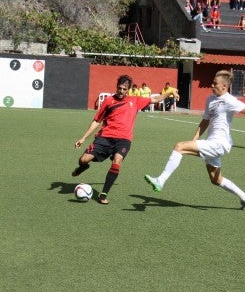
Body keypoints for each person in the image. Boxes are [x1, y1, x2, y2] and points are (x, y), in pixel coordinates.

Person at [144, 70, 245, 210]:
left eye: (215, 84)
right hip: (211, 142)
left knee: (179, 147)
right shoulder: (210, 99)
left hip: (221, 143)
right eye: (212, 83)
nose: (212, 85)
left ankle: (161, 180)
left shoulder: (229, 100)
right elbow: (205, 122)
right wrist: (194, 140)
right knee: (216, 179)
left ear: (224, 87)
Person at [71, 75, 171, 204]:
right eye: (119, 88)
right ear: (116, 86)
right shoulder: (108, 101)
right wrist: (83, 138)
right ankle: (83, 167)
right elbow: (97, 121)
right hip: (105, 138)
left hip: (123, 140)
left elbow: (154, 99)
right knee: (83, 160)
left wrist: (168, 93)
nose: (121, 91)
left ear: (128, 89)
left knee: (117, 160)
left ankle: (103, 194)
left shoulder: (135, 100)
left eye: (124, 89)